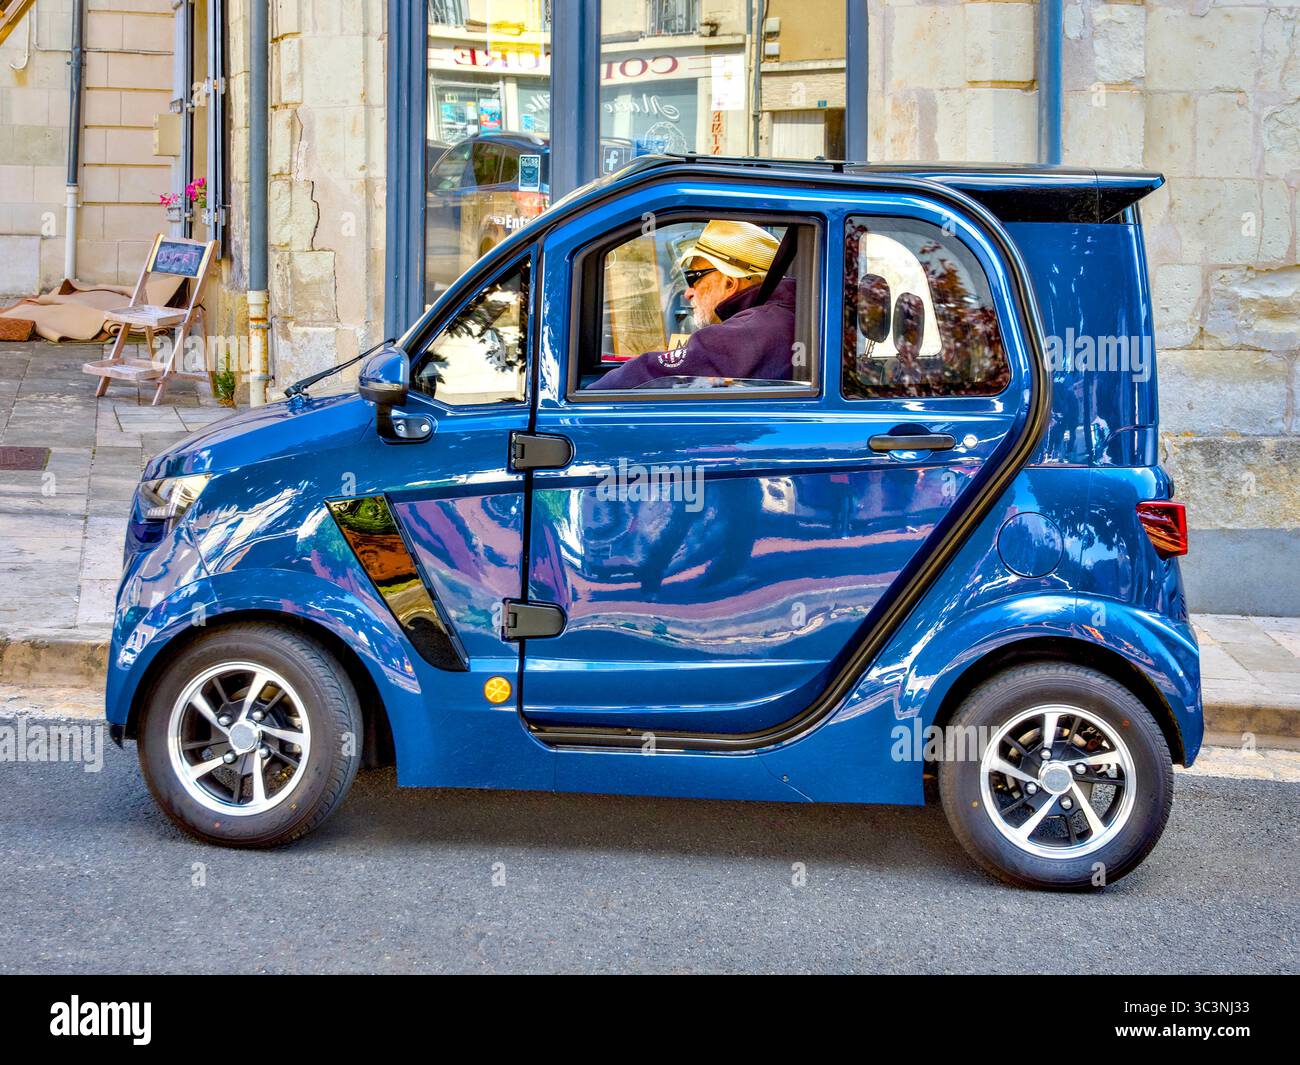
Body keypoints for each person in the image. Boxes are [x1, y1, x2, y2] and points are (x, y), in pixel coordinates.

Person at [588, 219, 797, 390]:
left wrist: (589, 396)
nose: (688, 293)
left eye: (693, 278)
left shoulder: (750, 332)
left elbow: (649, 375)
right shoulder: (780, 316)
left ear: (729, 282)